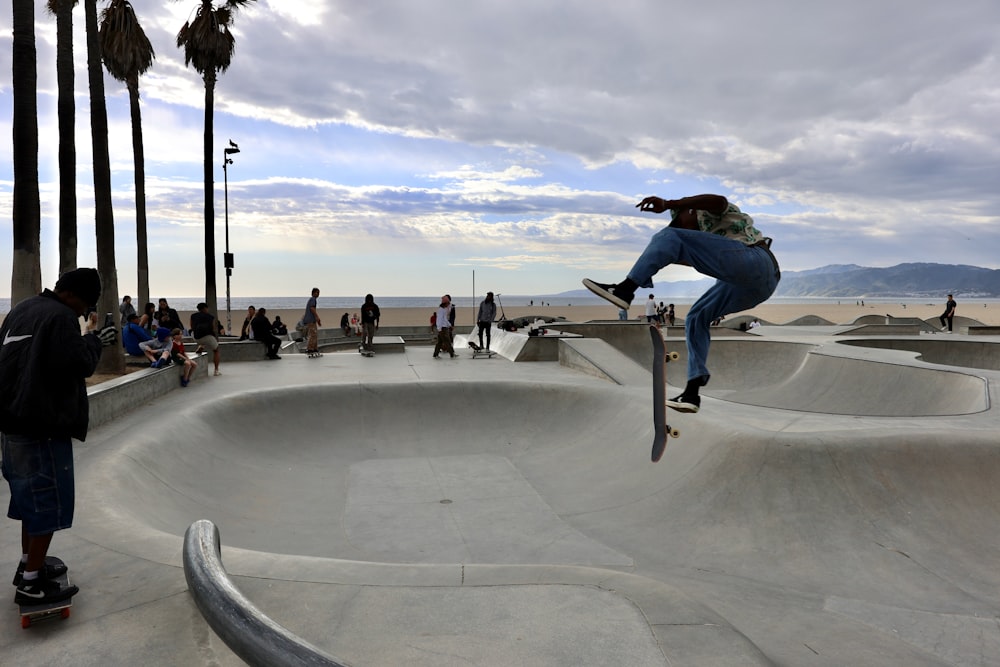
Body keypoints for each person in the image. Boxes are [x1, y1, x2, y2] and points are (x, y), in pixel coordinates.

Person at [583, 193, 779, 413]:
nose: (683, 227)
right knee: (696, 318)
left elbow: (719, 201)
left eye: (680, 220)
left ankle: (625, 290)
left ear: (690, 211)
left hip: (756, 259)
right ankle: (692, 392)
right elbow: (681, 250)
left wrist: (669, 205)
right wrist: (668, 249)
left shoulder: (710, 210)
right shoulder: (709, 238)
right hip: (755, 286)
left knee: (670, 236)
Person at [0, 267, 116, 605]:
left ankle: (27, 565)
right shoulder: (62, 317)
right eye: (86, 305)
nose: (83, 313)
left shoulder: (23, 309)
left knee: (28, 502)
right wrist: (95, 339)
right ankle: (32, 585)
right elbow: (78, 363)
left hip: (12, 425)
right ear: (75, 296)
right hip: (42, 428)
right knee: (47, 505)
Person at [189, 302, 222, 376]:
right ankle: (216, 370)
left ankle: (201, 347)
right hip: (207, 337)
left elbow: (191, 327)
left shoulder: (193, 316)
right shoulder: (211, 317)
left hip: (195, 337)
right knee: (216, 350)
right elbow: (213, 329)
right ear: (205, 308)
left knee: (202, 341)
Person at [302, 288, 322, 354]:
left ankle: (315, 348)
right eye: (317, 292)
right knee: (312, 334)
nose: (318, 294)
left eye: (318, 293)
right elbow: (312, 308)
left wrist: (316, 319)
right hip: (310, 320)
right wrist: (317, 317)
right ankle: (309, 349)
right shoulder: (313, 299)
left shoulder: (312, 299)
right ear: (313, 293)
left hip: (312, 320)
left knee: (315, 334)